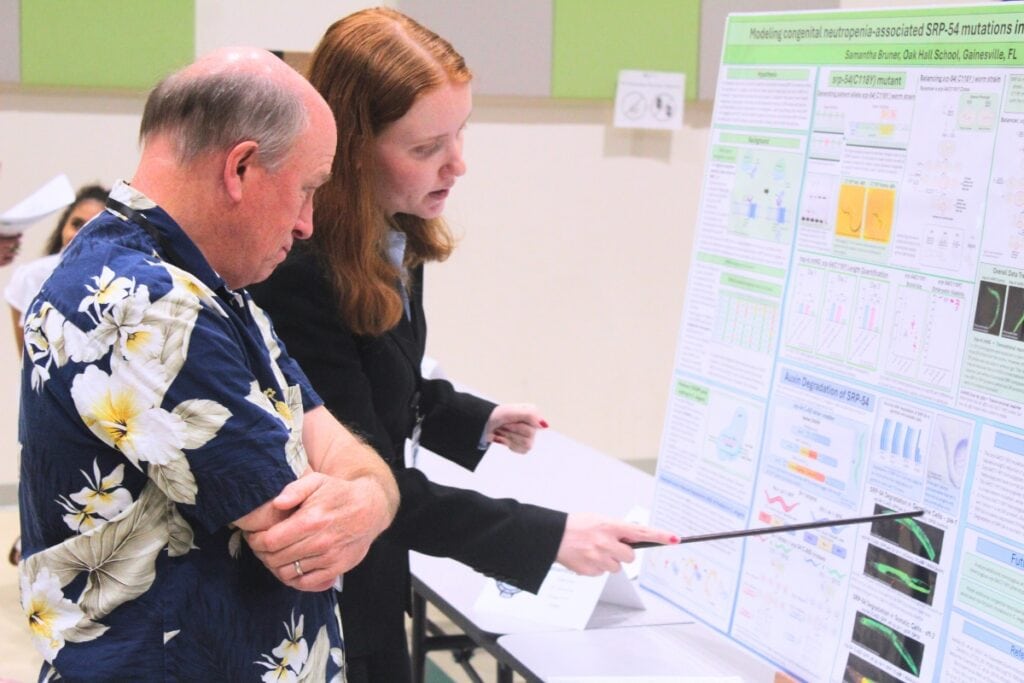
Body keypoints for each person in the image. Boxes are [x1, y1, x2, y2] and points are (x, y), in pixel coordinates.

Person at [249, 9, 677, 681]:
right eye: (426, 148)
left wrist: (471, 419)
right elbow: (369, 482)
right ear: (353, 147)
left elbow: (387, 381)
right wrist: (552, 537)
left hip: (373, 583)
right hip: (324, 610)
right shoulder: (299, 273)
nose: (458, 164)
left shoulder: (392, 236)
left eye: (460, 134)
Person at [17, 46, 399, 680]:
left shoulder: (212, 291)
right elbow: (300, 538)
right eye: (306, 190)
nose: (307, 224)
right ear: (241, 167)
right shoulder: (141, 300)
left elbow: (332, 441)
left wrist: (369, 497)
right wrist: (367, 498)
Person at [5, 184, 108, 357]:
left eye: (92, 228)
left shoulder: (120, 285)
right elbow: (26, 358)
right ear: (63, 226)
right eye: (76, 224)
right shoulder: (31, 276)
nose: (80, 235)